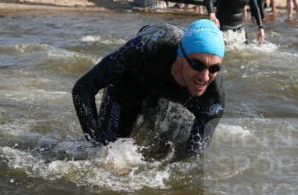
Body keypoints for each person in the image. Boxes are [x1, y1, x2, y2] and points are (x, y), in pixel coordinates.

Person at [72, 19, 226, 157]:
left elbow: (193, 158)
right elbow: (82, 89)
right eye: (197, 65)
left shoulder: (213, 95)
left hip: (167, 90)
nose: (205, 77)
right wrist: (96, 146)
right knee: (110, 152)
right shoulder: (143, 50)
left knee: (170, 151)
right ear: (181, 57)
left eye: (214, 68)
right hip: (133, 82)